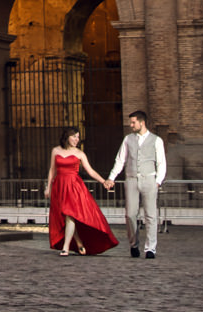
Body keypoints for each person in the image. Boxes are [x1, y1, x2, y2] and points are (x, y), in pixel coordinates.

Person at [44, 128, 119, 256]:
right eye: (74, 137)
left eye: (78, 137)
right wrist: (48, 187)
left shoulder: (80, 153)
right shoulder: (55, 151)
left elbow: (90, 171)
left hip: (74, 187)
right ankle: (78, 242)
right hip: (59, 186)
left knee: (70, 214)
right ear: (67, 137)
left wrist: (103, 181)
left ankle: (66, 247)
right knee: (65, 216)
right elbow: (52, 170)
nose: (77, 140)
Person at [107, 109, 167, 259]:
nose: (131, 125)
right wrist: (111, 178)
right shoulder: (128, 139)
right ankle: (134, 245)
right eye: (130, 122)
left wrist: (158, 182)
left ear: (142, 122)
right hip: (132, 179)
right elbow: (120, 160)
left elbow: (161, 163)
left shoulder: (157, 140)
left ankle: (150, 249)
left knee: (151, 216)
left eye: (133, 122)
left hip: (149, 179)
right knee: (130, 214)